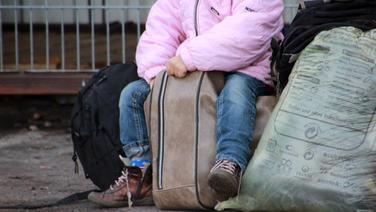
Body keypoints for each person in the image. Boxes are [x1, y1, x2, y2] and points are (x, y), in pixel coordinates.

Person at [88, 0, 283, 207]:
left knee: (235, 92)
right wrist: (157, 74)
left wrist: (189, 57)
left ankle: (230, 164)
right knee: (134, 95)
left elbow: (246, 32)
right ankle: (142, 175)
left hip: (248, 67)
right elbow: (161, 30)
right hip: (197, 68)